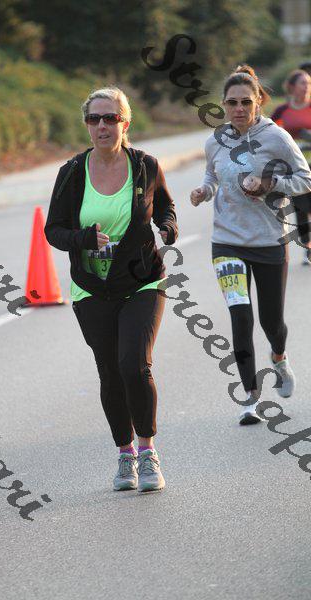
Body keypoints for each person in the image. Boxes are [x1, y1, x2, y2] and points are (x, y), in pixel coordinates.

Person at [45, 87, 178, 491]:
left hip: (142, 280)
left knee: (134, 365)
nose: (102, 126)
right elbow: (53, 230)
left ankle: (148, 452)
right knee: (110, 372)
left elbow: (166, 206)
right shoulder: (72, 172)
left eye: (110, 118)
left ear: (125, 122)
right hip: (93, 288)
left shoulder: (145, 166)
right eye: (94, 119)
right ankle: (125, 455)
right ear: (87, 124)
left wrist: (168, 227)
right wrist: (83, 239)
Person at [190, 65, 311, 425]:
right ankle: (250, 397)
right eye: (232, 102)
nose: (239, 108)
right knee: (240, 316)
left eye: (246, 101)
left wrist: (269, 184)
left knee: (272, 322)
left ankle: (279, 357)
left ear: (258, 101)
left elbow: (305, 179)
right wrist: (204, 190)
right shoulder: (216, 141)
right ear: (224, 105)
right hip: (226, 242)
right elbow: (212, 173)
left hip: (269, 241)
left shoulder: (277, 137)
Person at [271, 69, 311, 265]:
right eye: (303, 83)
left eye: (309, 83)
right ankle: (308, 247)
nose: (307, 87)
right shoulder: (282, 111)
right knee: (301, 209)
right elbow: (270, 133)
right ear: (292, 87)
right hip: (294, 169)